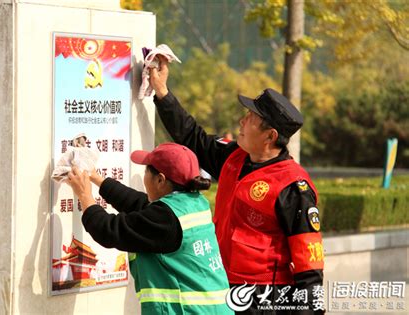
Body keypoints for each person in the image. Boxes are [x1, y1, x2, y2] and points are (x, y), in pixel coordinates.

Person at [149, 60, 324, 314]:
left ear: (270, 136)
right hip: (220, 288)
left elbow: (310, 266)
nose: (242, 122)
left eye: (251, 118)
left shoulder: (293, 187)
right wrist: (162, 92)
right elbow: (192, 137)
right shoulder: (234, 157)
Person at [67, 143, 233, 315]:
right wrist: (96, 178)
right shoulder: (194, 203)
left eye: (146, 171)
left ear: (160, 180)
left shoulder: (166, 220)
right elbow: (140, 205)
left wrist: (84, 195)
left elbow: (109, 230)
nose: (144, 176)